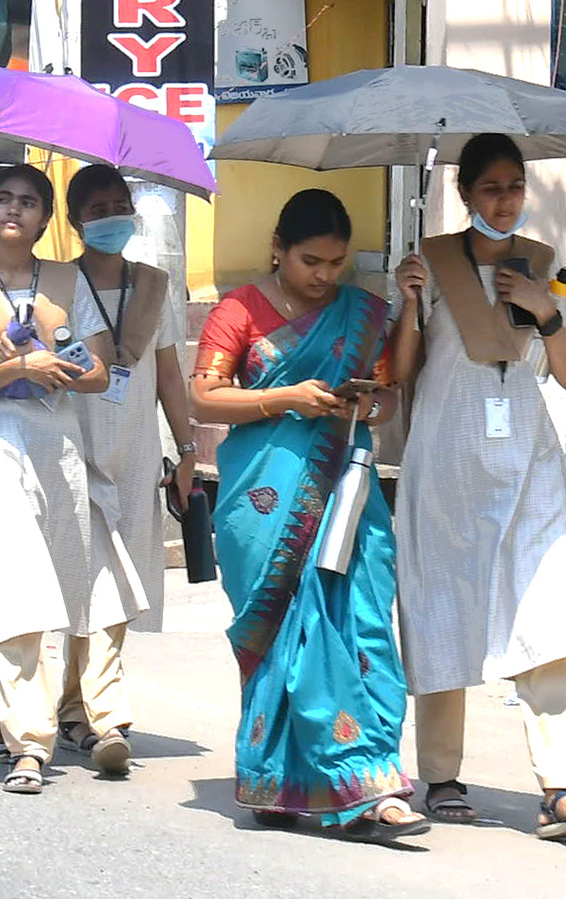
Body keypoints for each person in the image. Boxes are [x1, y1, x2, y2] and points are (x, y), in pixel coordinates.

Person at [191, 189, 427, 841]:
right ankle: (279, 784)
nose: (325, 275)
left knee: (362, 625)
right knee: (283, 639)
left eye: (335, 262)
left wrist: (364, 396)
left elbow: (384, 403)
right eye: (310, 261)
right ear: (278, 248)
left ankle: (371, 780)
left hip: (347, 493)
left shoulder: (361, 314)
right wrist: (286, 398)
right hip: (266, 501)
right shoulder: (239, 310)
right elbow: (205, 399)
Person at [391, 133, 566, 840]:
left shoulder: (547, 265)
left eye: (514, 186)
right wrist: (406, 304)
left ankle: (557, 781)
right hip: (447, 464)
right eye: (490, 188)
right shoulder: (429, 263)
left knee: (547, 611)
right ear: (463, 195)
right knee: (442, 606)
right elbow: (403, 370)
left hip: (530, 462)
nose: (505, 199)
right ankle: (442, 774)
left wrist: (544, 308)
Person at [0, 163, 111, 794]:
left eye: (29, 202)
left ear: (45, 217)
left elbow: (99, 371)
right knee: (16, 585)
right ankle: (30, 743)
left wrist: (52, 364)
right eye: (3, 199)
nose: (14, 210)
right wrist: (14, 369)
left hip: (52, 443)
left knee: (43, 585)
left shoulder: (67, 282)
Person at [47, 164, 198, 776]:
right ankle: (99, 713)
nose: (112, 215)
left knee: (118, 574)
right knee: (84, 575)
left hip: (135, 448)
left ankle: (83, 710)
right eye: (99, 206)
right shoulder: (57, 286)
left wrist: (187, 452)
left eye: (121, 204)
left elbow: (167, 373)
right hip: (72, 444)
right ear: (77, 219)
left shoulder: (154, 288)